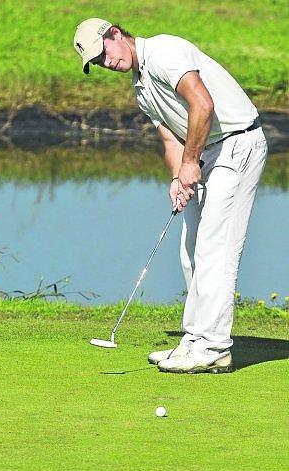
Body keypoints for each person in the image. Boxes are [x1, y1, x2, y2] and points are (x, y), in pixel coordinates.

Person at [73, 19, 268, 373]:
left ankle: (213, 346)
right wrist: (179, 177)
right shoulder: (141, 87)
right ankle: (194, 339)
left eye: (104, 53)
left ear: (115, 34)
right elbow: (170, 137)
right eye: (98, 63)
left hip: (237, 144)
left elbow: (202, 105)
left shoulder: (164, 51)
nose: (107, 63)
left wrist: (191, 161)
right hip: (206, 151)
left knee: (216, 246)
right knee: (191, 247)